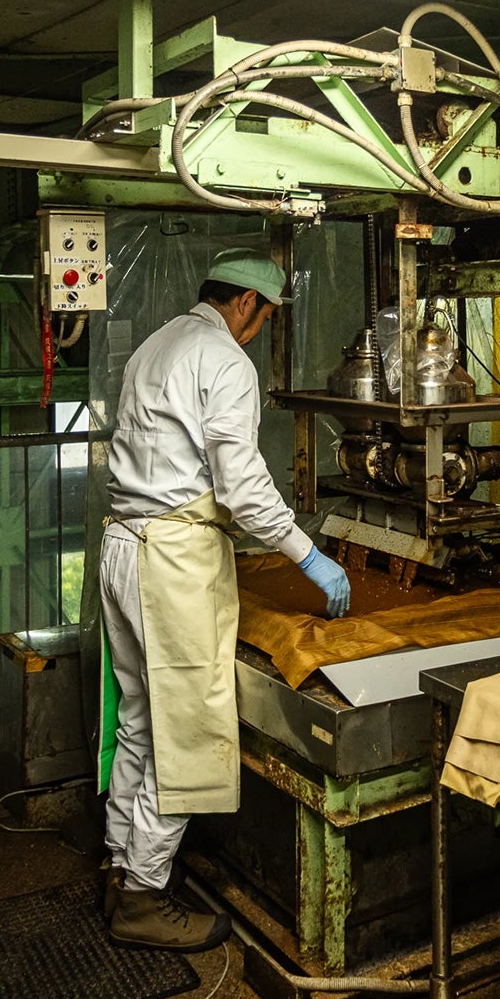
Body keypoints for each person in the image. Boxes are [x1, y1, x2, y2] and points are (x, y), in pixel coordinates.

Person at [100, 249, 352, 950]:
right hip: (172, 562)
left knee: (140, 720)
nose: (260, 331)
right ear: (246, 303)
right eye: (264, 318)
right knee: (185, 731)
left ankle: (121, 863)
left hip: (123, 544)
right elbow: (241, 487)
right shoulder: (225, 360)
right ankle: (143, 898)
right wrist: (308, 555)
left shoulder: (157, 344)